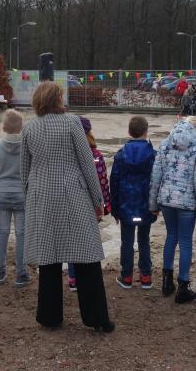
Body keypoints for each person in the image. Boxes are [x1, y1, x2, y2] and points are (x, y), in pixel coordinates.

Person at [21, 82, 114, 332]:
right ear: (58, 98)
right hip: (73, 194)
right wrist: (99, 201)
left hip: (41, 196)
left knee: (48, 259)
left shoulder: (29, 127)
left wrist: (28, 197)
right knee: (86, 257)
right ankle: (97, 318)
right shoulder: (72, 123)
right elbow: (87, 164)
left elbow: (24, 170)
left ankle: (49, 316)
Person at [149, 116, 196, 303]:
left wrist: (153, 204)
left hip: (166, 200)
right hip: (187, 202)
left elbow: (156, 175)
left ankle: (166, 282)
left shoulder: (165, 143)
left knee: (171, 236)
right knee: (185, 241)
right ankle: (183, 286)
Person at [110, 115, 157, 290]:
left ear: (129, 132)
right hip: (145, 206)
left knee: (127, 241)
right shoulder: (153, 155)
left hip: (126, 205)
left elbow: (113, 182)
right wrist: (156, 206)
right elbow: (156, 182)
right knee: (144, 240)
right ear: (146, 132)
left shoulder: (121, 154)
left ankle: (127, 276)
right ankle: (145, 276)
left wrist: (114, 209)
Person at [0, 109, 30, 288]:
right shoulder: (27, 147)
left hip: (3, 193)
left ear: (3, 127)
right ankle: (21, 273)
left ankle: (0, 272)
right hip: (21, 194)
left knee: (2, 232)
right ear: (22, 128)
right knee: (21, 234)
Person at [67, 116, 111, 290]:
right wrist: (104, 205)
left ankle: (73, 278)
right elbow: (102, 181)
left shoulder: (68, 154)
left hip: (72, 203)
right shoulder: (96, 155)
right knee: (90, 241)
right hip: (91, 206)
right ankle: (87, 277)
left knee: (72, 240)